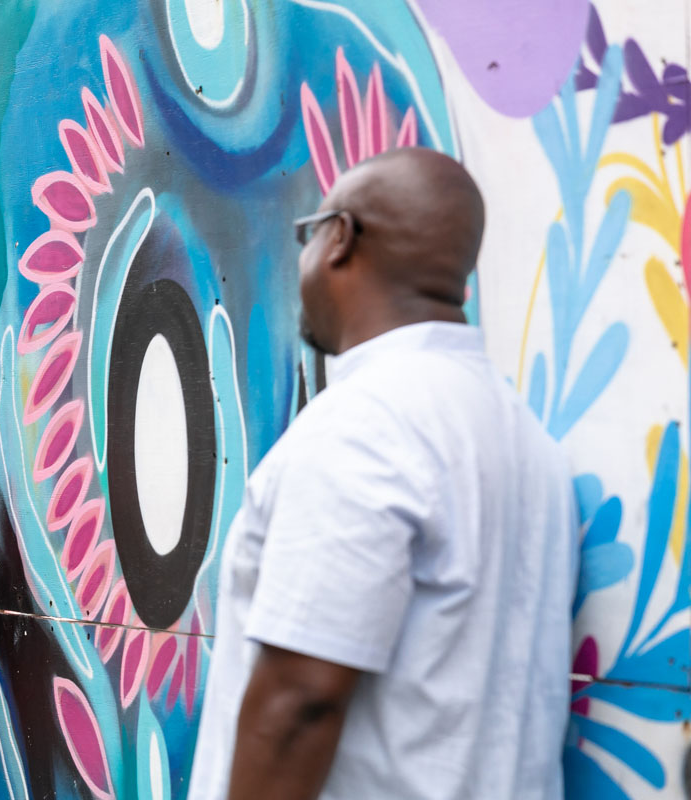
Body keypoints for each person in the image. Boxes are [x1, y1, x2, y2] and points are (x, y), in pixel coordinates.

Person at [187, 148, 578, 800]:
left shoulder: (364, 430)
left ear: (339, 238)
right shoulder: (525, 440)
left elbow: (301, 700)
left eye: (309, 235)